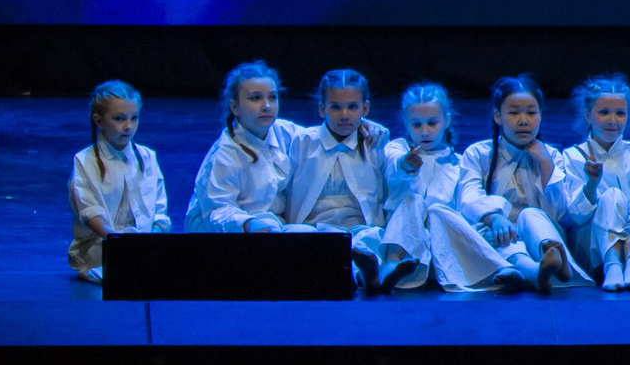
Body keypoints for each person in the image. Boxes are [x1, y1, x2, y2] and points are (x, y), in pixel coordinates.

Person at [455, 75, 588, 293]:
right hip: (497, 235)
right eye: (514, 112)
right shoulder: (478, 154)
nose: (523, 120)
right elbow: (468, 199)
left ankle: (550, 257)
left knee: (529, 215)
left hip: (541, 235)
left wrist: (545, 164)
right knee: (474, 226)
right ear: (498, 116)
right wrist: (494, 217)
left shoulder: (552, 155)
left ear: (540, 116)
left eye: (531, 112)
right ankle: (534, 272)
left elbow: (560, 215)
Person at [277, 68, 394, 292]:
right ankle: (343, 274)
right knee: (297, 237)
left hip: (356, 228)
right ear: (322, 109)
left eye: (352, 107)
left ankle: (361, 274)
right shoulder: (303, 141)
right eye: (335, 107)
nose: (344, 115)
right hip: (313, 227)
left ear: (365, 109)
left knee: (372, 237)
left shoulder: (373, 143)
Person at [551, 74, 630, 292]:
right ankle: (612, 264)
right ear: (588, 115)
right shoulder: (573, 156)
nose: (612, 120)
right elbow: (576, 216)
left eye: (620, 113)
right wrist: (591, 185)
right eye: (604, 112)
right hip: (592, 250)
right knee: (612, 195)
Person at [68, 79, 168, 283]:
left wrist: (153, 238)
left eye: (134, 118)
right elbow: (89, 211)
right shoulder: (84, 161)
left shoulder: (147, 157)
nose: (128, 126)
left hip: (143, 246)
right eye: (119, 119)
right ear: (99, 121)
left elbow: (159, 209)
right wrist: (117, 242)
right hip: (103, 245)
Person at [375, 84, 468, 293]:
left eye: (432, 123)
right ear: (406, 125)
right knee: (413, 201)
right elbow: (395, 165)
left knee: (440, 212)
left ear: (446, 121)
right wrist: (407, 164)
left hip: (442, 246)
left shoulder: (458, 164)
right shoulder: (397, 149)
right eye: (416, 125)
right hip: (404, 242)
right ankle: (391, 265)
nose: (425, 132)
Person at [186, 61, 295, 233]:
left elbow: (318, 138)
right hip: (228, 231)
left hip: (272, 225)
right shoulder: (225, 153)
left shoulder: (287, 133)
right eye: (255, 98)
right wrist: (249, 224)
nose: (266, 105)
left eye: (272, 97)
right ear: (235, 107)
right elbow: (217, 211)